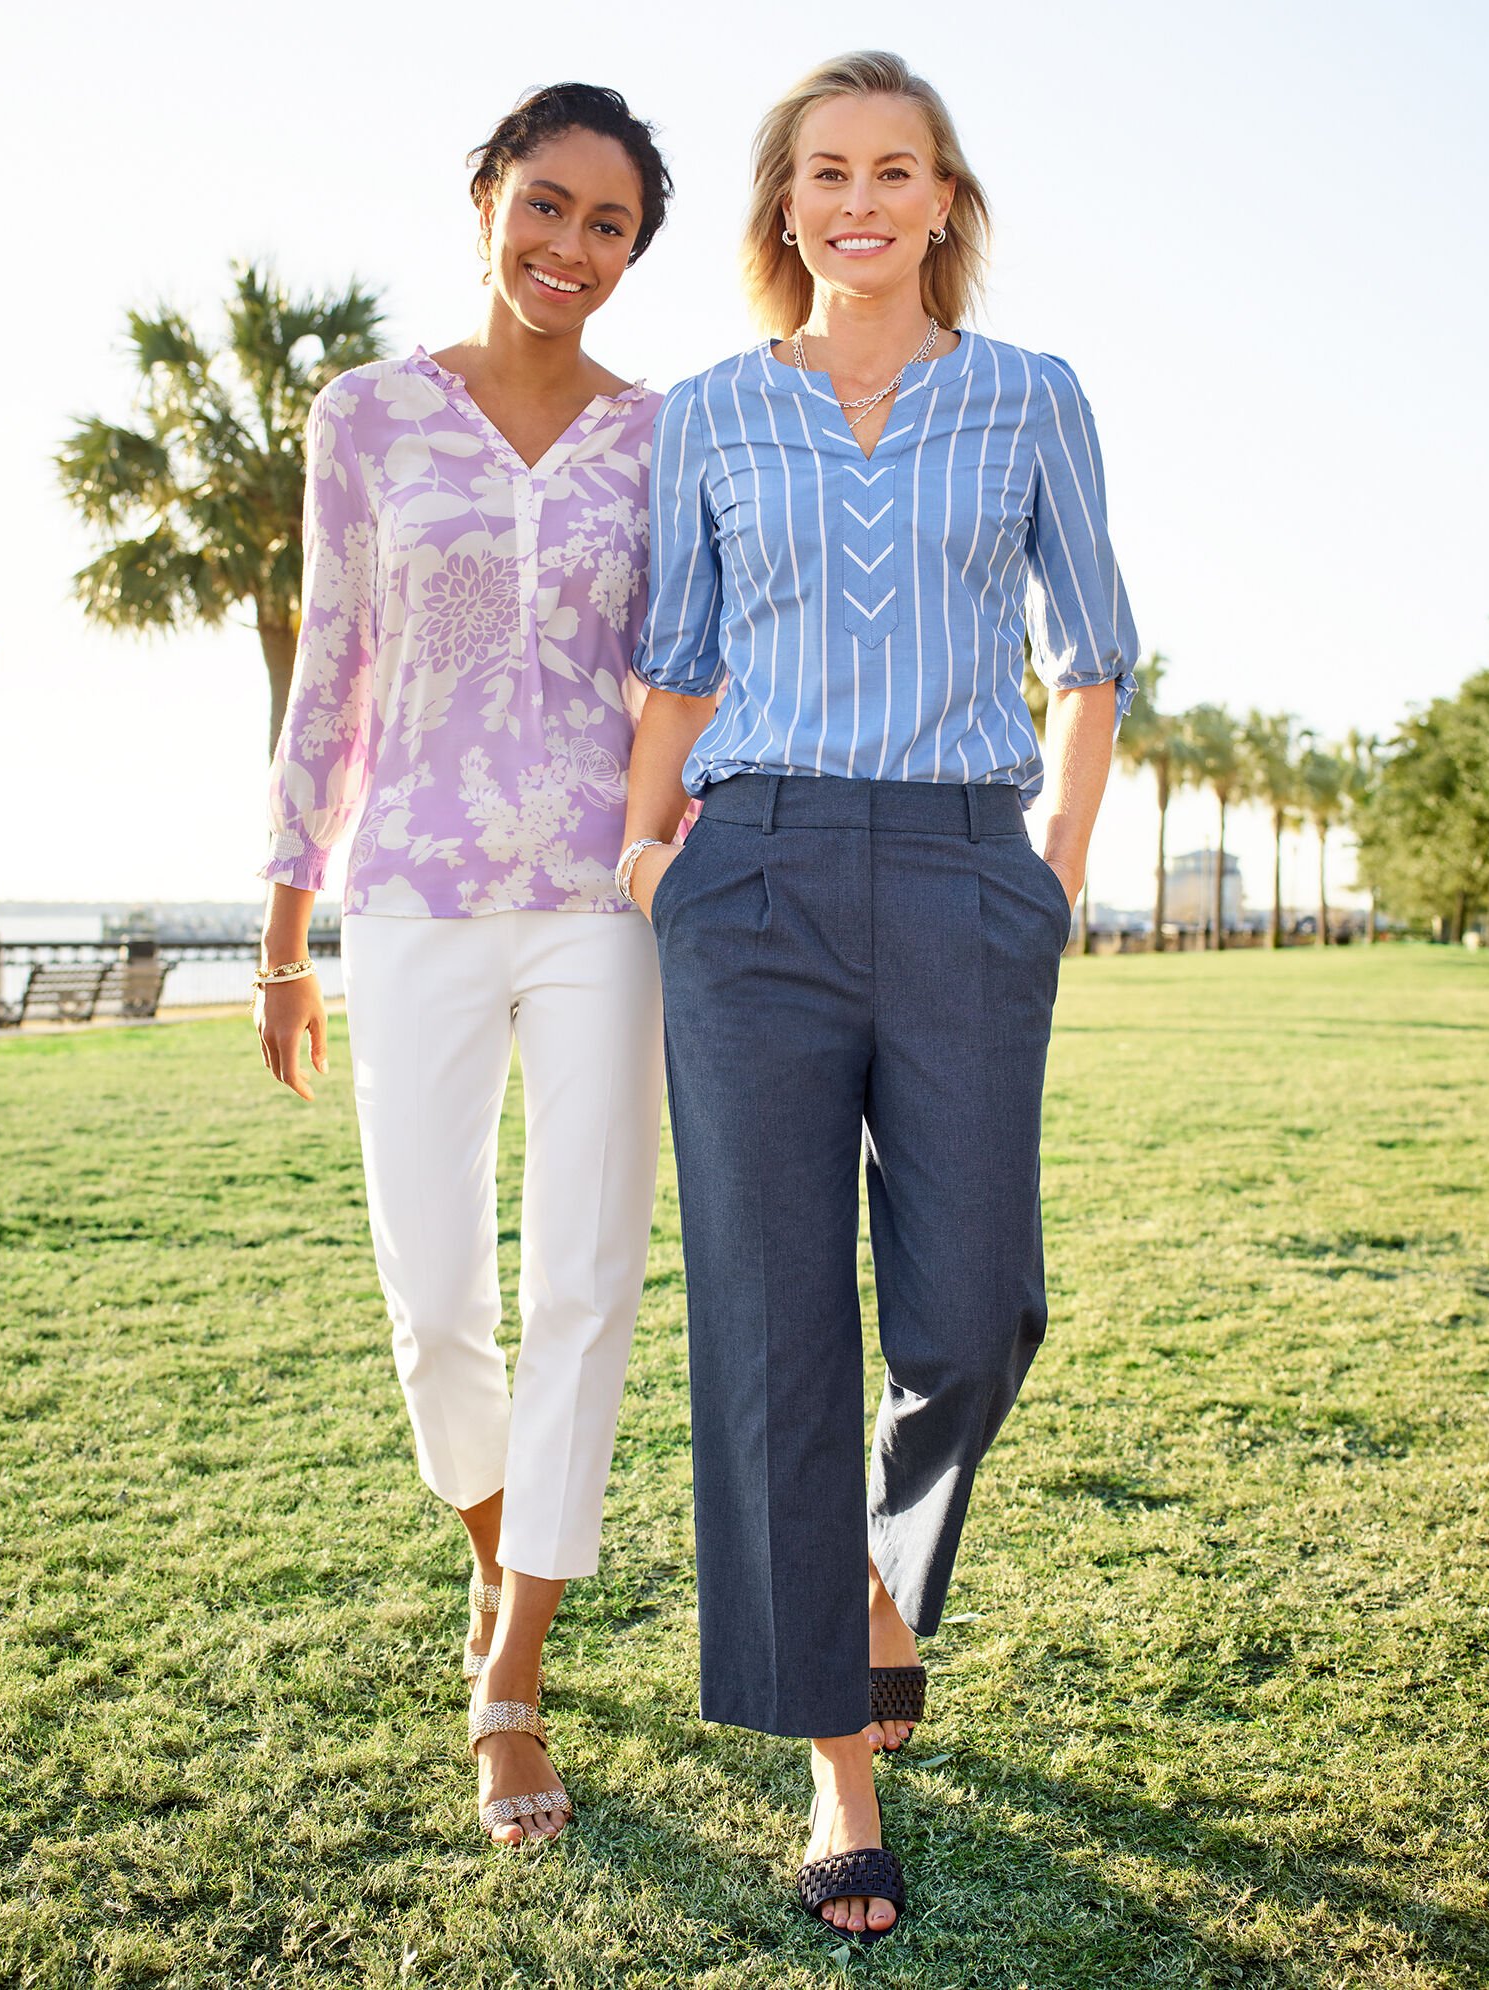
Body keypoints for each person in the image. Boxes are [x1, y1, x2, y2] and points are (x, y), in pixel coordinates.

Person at [618, 50, 1138, 1941]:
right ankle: (836, 1761)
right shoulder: (709, 418)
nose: (859, 198)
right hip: (743, 873)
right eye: (825, 169)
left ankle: (887, 1574)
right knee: (766, 1318)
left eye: (894, 170)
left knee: (973, 1307)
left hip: (956, 870)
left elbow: (1094, 654)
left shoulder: (1028, 398)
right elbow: (678, 656)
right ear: (783, 203)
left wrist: (1049, 876)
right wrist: (642, 851)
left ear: (942, 200)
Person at [255, 82, 673, 1847]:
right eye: (549, 205)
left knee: (583, 1279)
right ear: (487, 193)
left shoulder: (665, 440)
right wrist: (283, 918)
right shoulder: (363, 415)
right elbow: (330, 665)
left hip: (604, 903)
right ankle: (507, 1553)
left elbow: (685, 674)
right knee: (436, 1298)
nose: (572, 247)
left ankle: (514, 1663)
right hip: (411, 891)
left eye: (611, 227)